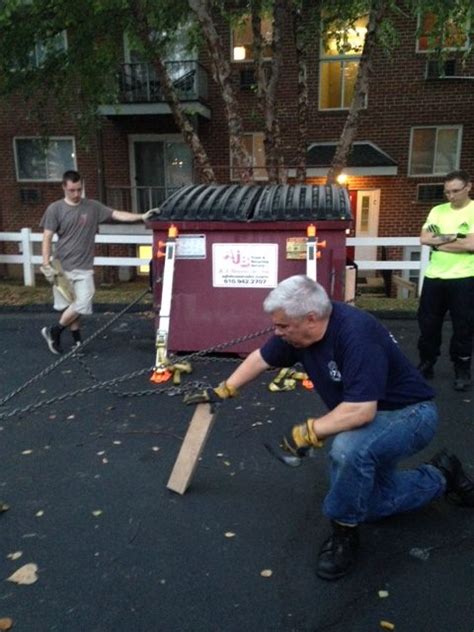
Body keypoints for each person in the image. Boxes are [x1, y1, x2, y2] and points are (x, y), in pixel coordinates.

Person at [184, 275, 474, 580]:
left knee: (348, 450)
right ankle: (442, 474)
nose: (276, 331)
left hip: (411, 416)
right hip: (373, 415)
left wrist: (309, 432)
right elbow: (261, 358)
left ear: (310, 318)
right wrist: (224, 390)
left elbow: (361, 410)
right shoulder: (298, 332)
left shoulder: (356, 334)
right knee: (372, 505)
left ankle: (343, 534)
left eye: (282, 326)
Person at [39, 170, 154, 354]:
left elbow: (117, 214)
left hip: (84, 266)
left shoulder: (92, 207)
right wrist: (46, 264)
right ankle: (77, 343)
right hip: (61, 266)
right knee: (72, 305)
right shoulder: (55, 209)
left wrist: (141, 216)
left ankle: (54, 330)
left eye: (79, 189)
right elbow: (46, 237)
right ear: (64, 187)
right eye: (72, 190)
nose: (76, 194)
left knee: (83, 301)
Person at [417, 169, 474, 391]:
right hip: (435, 276)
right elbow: (424, 238)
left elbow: (471, 245)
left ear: (468, 187)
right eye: (447, 192)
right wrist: (456, 238)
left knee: (464, 326)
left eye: (455, 191)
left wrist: (439, 241)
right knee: (428, 324)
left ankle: (462, 368)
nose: (450, 196)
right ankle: (427, 362)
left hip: (464, 277)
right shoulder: (437, 211)